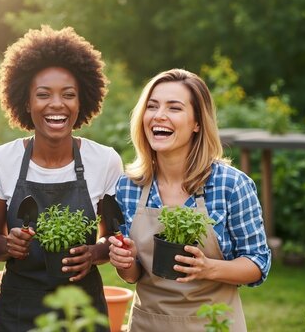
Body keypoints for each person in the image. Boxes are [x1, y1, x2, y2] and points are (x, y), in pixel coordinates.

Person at [0, 25, 123, 331]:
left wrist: (94, 253)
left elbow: (114, 237)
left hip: (82, 308)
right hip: (19, 308)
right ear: (26, 102)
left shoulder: (105, 161)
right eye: (43, 95)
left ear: (82, 101)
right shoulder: (0, 161)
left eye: (68, 95)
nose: (57, 104)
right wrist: (9, 245)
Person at [108, 69, 271, 331]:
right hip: (148, 323)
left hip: (215, 323)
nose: (159, 115)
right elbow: (134, 275)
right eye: (152, 106)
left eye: (174, 108)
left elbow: (257, 263)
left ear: (197, 123)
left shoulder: (231, 185)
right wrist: (125, 262)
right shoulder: (128, 187)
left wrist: (208, 268)